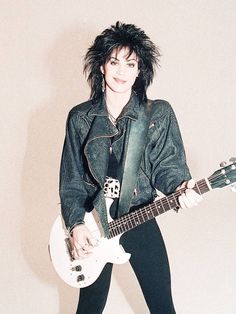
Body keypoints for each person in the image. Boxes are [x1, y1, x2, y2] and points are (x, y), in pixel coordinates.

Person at [59, 21, 202, 314]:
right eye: (114, 62)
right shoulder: (80, 118)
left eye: (130, 63)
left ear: (140, 70)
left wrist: (182, 187)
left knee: (163, 307)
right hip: (93, 223)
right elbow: (72, 180)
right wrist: (75, 225)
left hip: (138, 217)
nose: (121, 71)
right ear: (102, 66)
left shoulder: (157, 113)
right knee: (88, 309)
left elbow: (168, 166)